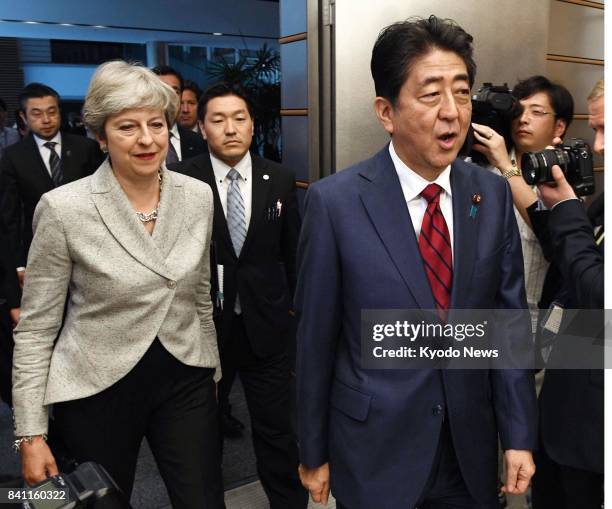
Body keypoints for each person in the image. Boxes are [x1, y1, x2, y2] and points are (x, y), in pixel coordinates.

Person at [296, 16, 537, 509]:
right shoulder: (334, 203)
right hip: (374, 448)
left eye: (463, 93)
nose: (452, 113)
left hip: (469, 447)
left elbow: (507, 325)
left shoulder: (490, 194)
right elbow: (315, 341)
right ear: (387, 111)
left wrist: (517, 434)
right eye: (431, 95)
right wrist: (312, 450)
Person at [11, 60, 224, 509]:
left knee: (204, 500)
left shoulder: (197, 195)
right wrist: (30, 435)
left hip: (185, 376)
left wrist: (212, 371)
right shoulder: (64, 209)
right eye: (128, 127)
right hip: (96, 385)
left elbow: (200, 295)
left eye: (156, 124)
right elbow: (35, 329)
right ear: (101, 135)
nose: (147, 139)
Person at [171, 82, 307, 509]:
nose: (230, 128)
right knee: (201, 432)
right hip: (205, 328)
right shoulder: (180, 180)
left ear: (252, 124)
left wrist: (293, 314)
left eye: (240, 118)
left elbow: (294, 253)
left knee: (276, 430)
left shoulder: (280, 177)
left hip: (267, 326)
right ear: (202, 127)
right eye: (218, 120)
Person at [528, 78, 604, 509]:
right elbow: (567, 260)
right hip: (565, 419)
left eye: (605, 130)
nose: (596, 147)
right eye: (594, 130)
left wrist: (567, 211)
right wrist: (555, 205)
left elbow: (599, 297)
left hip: (594, 439)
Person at [471, 76, 574, 328]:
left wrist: (506, 167)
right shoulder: (481, 164)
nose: (523, 119)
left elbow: (552, 230)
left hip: (528, 318)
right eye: (518, 109)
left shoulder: (565, 178)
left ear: (559, 127)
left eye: (536, 112)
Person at [0, 83, 104, 291]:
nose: (46, 120)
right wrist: (19, 264)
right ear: (23, 117)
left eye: (51, 112)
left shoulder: (86, 148)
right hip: (40, 249)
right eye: (36, 114)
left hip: (89, 244)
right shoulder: (13, 157)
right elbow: (11, 217)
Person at [151, 65, 208, 162]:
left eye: (175, 91)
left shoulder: (200, 142)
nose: (169, 97)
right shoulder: (139, 140)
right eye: (163, 90)